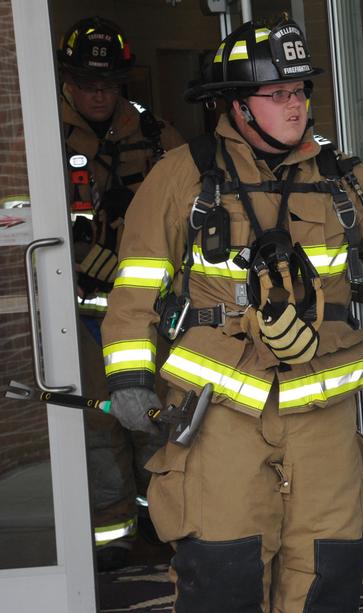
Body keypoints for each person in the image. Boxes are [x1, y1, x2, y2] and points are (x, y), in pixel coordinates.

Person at [100, 16, 363, 612]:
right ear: (237, 105)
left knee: (327, 575)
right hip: (219, 419)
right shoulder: (182, 177)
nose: (295, 105)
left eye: (300, 91)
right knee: (223, 574)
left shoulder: (343, 179)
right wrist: (128, 378)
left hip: (322, 416)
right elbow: (135, 287)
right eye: (278, 93)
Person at [57, 16, 184, 571]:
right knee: (100, 422)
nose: (98, 94)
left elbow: (192, 212)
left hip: (147, 309)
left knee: (157, 416)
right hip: (77, 313)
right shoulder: (41, 136)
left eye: (108, 84)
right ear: (67, 79)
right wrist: (84, 256)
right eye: (87, 83)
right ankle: (112, 540)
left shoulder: (156, 136)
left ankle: (167, 522)